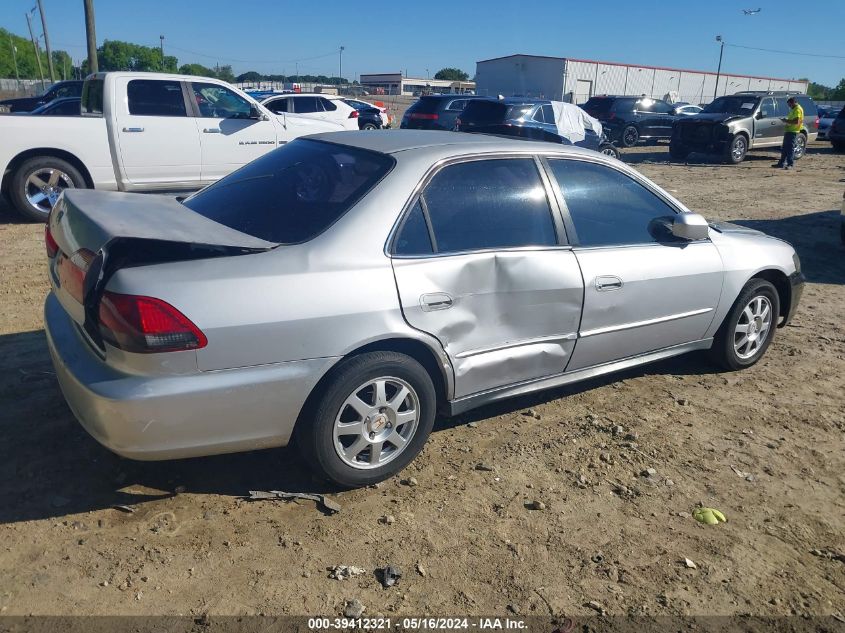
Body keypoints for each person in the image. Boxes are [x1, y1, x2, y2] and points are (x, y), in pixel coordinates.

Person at [774, 97, 804, 170]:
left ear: (793, 103)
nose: (789, 106)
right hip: (789, 131)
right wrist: (786, 120)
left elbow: (796, 121)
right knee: (784, 148)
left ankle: (790, 164)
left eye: (789, 104)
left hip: (793, 131)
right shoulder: (793, 109)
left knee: (790, 148)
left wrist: (786, 121)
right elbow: (792, 119)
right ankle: (781, 163)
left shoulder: (797, 109)